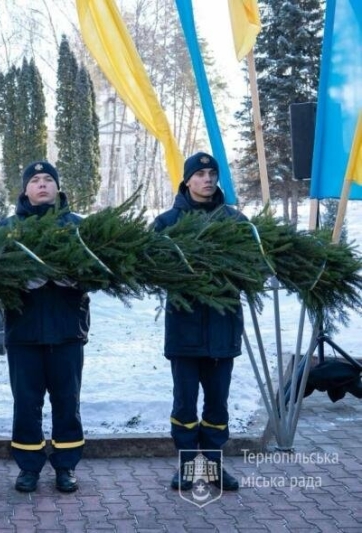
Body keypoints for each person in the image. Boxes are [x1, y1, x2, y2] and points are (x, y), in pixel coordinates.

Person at [0, 161, 90, 493]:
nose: (42, 184)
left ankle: (66, 467)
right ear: (25, 189)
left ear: (57, 187)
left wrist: (75, 278)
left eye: (48, 179)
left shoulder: (77, 227)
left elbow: (100, 270)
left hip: (67, 331)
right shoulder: (7, 229)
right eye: (34, 180)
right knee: (26, 402)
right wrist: (19, 280)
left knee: (67, 401)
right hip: (24, 333)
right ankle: (29, 467)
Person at [153, 152, 244, 492]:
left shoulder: (234, 222)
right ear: (187, 180)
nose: (207, 179)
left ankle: (215, 466)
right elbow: (155, 270)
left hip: (223, 329)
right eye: (200, 174)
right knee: (185, 404)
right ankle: (189, 466)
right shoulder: (167, 223)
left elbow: (254, 271)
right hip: (185, 332)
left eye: (212, 173)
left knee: (218, 403)